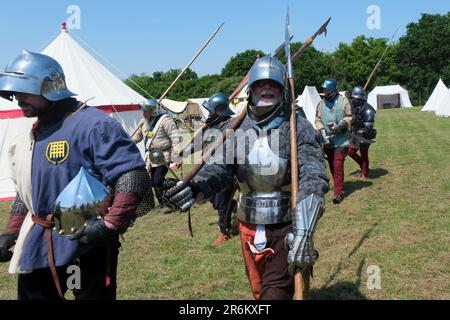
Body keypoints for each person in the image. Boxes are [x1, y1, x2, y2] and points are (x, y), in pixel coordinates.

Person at [163, 56, 329, 300]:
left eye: (273, 85)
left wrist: (304, 229)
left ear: (283, 90)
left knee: (275, 293)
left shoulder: (298, 126)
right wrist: (196, 187)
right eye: (260, 84)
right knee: (258, 289)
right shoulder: (238, 127)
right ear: (250, 90)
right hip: (247, 222)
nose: (267, 89)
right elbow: (219, 168)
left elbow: (313, 174)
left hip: (285, 224)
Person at [0, 51, 151, 300]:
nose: (17, 98)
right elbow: (27, 190)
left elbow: (131, 174)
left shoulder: (94, 124)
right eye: (14, 92)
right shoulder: (33, 131)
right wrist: (11, 232)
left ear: (49, 87)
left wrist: (109, 225)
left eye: (23, 91)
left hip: (86, 241)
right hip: (39, 239)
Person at [185, 93, 236, 246]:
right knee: (212, 198)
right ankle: (232, 206)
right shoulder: (211, 125)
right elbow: (198, 142)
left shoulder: (231, 125)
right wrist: (184, 152)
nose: (208, 114)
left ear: (219, 111)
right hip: (209, 168)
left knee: (221, 201)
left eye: (211, 111)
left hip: (225, 170)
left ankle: (224, 232)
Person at [132, 99, 182, 214]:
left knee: (158, 180)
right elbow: (138, 137)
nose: (143, 112)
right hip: (150, 156)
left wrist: (178, 156)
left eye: (145, 110)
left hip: (163, 155)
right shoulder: (143, 122)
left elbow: (175, 138)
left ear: (152, 110)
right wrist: (126, 142)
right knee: (153, 182)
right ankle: (163, 203)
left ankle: (172, 198)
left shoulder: (165, 121)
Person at [315, 78, 352, 204]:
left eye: (325, 89)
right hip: (328, 140)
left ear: (331, 89)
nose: (324, 91)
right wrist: (322, 132)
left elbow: (349, 117)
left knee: (337, 164)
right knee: (332, 165)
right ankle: (339, 183)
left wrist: (340, 126)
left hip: (342, 140)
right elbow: (318, 119)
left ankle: (338, 193)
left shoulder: (343, 101)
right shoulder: (321, 103)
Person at [348, 86, 376, 181]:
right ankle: (364, 166)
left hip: (365, 134)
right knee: (350, 152)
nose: (353, 100)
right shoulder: (355, 107)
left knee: (363, 154)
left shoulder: (368, 109)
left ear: (359, 98)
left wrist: (360, 133)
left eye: (354, 98)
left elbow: (368, 126)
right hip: (355, 133)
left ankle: (364, 173)